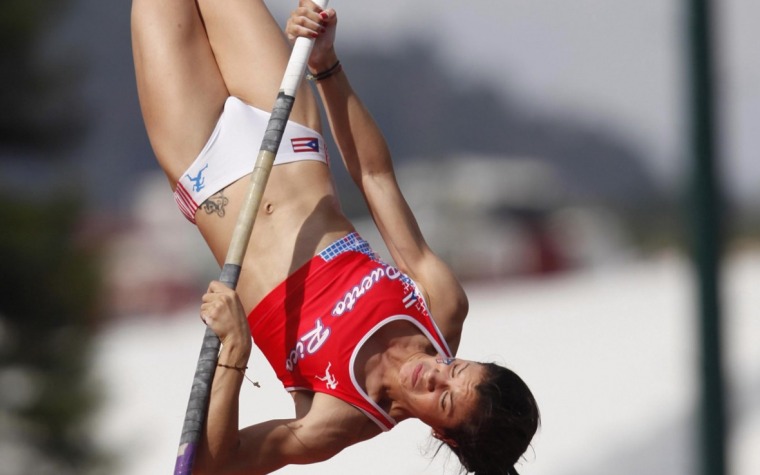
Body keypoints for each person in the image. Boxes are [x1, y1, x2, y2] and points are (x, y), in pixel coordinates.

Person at [131, 0, 540, 473]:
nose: (434, 375)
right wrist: (327, 65)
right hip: (286, 128)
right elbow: (374, 176)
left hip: (202, 164)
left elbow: (215, 464)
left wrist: (235, 356)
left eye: (444, 400)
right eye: (456, 369)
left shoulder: (337, 420)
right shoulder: (440, 307)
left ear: (441, 433)